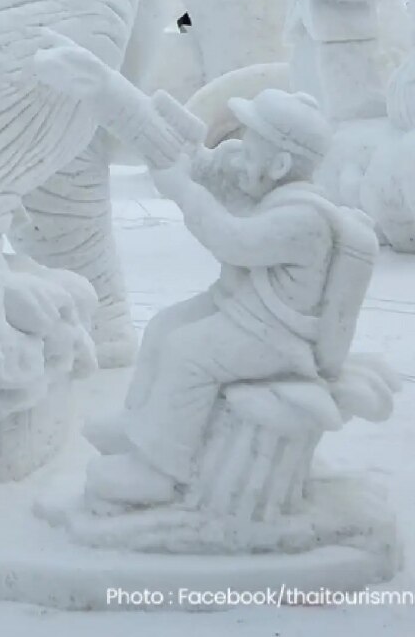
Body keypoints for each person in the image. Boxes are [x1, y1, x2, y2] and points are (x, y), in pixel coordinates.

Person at [84, 87, 373, 508]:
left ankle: (160, 469)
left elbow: (233, 241)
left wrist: (185, 191)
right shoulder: (271, 194)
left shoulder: (303, 219)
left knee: (188, 353)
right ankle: (139, 426)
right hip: (243, 314)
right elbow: (213, 173)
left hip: (277, 340)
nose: (238, 155)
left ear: (278, 164)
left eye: (250, 147)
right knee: (166, 326)